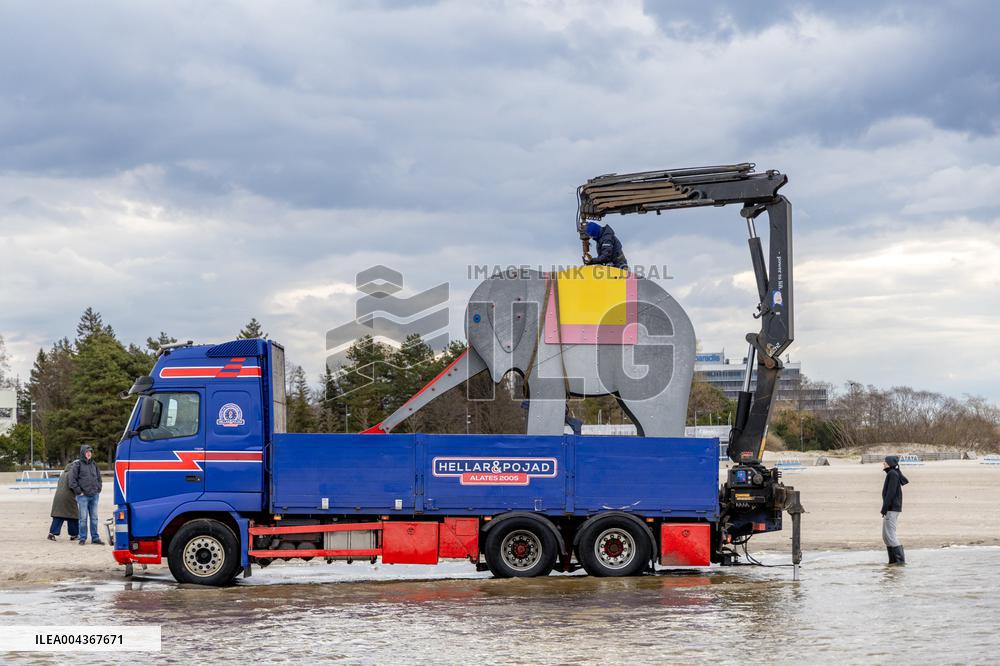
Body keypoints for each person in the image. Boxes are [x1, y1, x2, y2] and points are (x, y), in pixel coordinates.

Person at [67, 444, 104, 545]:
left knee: (94, 518)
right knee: (83, 519)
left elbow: (99, 478)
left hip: (94, 495)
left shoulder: (94, 464)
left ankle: (95, 538)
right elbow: (72, 480)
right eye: (87, 452)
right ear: (83, 453)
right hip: (83, 497)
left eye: (90, 452)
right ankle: (82, 538)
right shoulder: (77, 465)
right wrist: (79, 492)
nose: (89, 453)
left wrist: (98, 488)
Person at [881, 455, 908, 564]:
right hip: (891, 508)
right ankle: (892, 562)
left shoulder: (892, 474)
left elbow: (890, 493)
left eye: (885, 462)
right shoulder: (892, 473)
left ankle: (899, 561)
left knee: (890, 535)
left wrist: (884, 508)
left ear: (890, 463)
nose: (883, 463)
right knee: (886, 536)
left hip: (891, 509)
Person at [48, 462, 79, 541]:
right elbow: (73, 485)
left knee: (58, 515)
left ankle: (52, 533)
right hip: (68, 497)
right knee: (73, 516)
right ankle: (74, 534)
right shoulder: (72, 474)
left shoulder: (63, 475)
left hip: (58, 497)